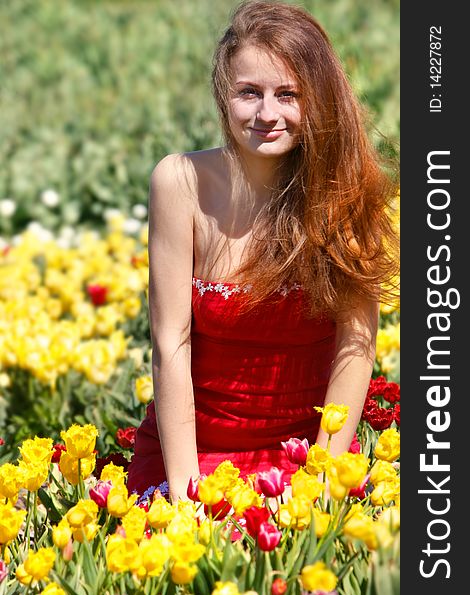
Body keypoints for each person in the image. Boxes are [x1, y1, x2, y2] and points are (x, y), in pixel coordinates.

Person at [127, 0, 398, 502]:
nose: (267, 114)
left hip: (303, 457)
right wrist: (188, 497)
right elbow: (170, 344)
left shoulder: (348, 190)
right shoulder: (179, 182)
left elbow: (355, 347)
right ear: (224, 96)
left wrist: (318, 486)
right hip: (192, 451)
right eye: (249, 92)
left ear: (317, 98)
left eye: (288, 94)